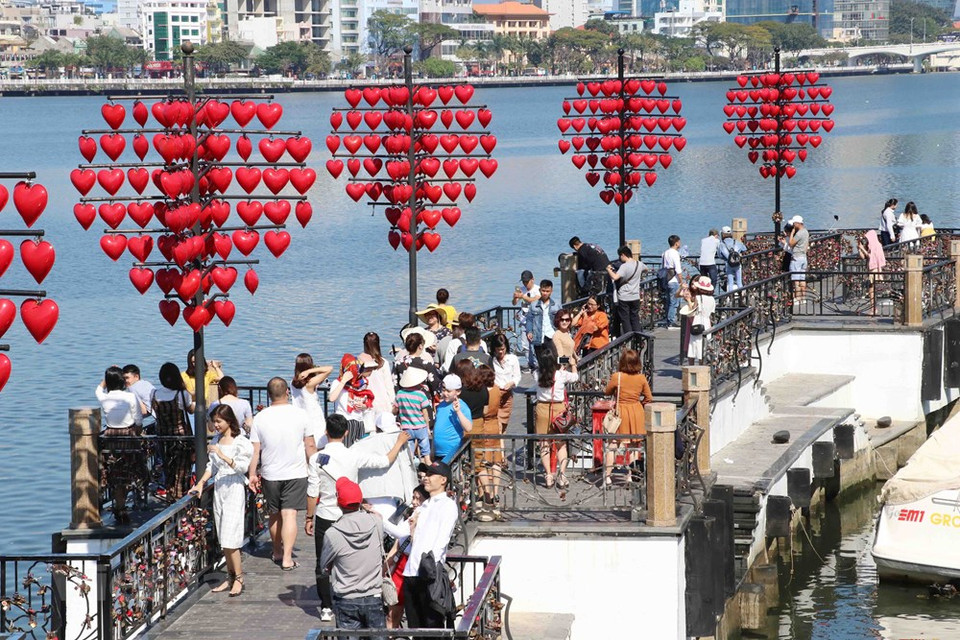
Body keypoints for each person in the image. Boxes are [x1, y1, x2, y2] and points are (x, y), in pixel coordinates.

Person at [306, 414, 410, 623]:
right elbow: (384, 461)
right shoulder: (353, 454)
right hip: (350, 513)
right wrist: (399, 442)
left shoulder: (316, 458)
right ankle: (356, 593)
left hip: (326, 514)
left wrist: (309, 517)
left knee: (323, 561)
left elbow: (311, 492)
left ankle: (326, 606)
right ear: (346, 433)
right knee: (354, 555)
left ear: (326, 432)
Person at [248, 377, 316, 572]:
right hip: (296, 471)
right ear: (287, 392)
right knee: (290, 515)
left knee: (274, 515)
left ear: (269, 395)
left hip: (270, 472)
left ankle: (277, 551)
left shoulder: (260, 417)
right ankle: (287, 558)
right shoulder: (301, 414)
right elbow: (309, 445)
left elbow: (255, 450)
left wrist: (253, 473)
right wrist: (316, 467)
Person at [189, 404, 252, 597]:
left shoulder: (240, 441)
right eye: (214, 421)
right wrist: (200, 483)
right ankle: (230, 576)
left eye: (219, 421)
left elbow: (242, 467)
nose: (215, 425)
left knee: (231, 536)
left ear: (229, 421)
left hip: (234, 487)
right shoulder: (216, 440)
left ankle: (239, 578)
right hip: (220, 488)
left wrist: (223, 455)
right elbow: (211, 466)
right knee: (224, 538)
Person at [317, 477, 387, 633]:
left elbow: (323, 566)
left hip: (346, 598)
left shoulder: (332, 533)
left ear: (338, 502)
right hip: (373, 595)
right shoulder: (376, 523)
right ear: (360, 500)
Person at [402, 461, 459, 630]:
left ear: (443, 480)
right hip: (411, 572)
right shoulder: (424, 505)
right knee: (416, 628)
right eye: (426, 475)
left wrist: (430, 566)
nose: (426, 478)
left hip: (429, 575)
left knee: (432, 628)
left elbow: (441, 540)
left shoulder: (447, 505)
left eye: (430, 474)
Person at [96, 365, 144, 524]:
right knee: (129, 472)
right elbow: (138, 419)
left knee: (115, 474)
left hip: (110, 438)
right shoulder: (130, 397)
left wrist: (106, 378)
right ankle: (122, 506)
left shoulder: (104, 397)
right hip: (127, 437)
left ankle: (120, 505)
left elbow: (98, 390)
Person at [602, 350, 652, 485]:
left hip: (620, 412)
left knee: (612, 444)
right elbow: (649, 397)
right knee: (634, 445)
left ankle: (607, 476)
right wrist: (640, 404)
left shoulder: (617, 376)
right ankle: (631, 475)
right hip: (636, 412)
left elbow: (607, 392)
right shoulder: (641, 378)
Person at [534, 343, 578, 489]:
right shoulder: (561, 374)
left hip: (542, 408)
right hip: (558, 409)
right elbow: (575, 377)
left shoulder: (536, 374)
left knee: (544, 443)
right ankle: (562, 475)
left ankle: (548, 475)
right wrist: (573, 365)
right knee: (560, 444)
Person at [153, 362, 195, 500]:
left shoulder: (154, 393)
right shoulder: (181, 394)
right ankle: (178, 500)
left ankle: (170, 496)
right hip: (180, 436)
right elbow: (190, 410)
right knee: (181, 470)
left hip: (162, 436)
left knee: (167, 469)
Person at [474, 364, 503, 521]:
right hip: (494, 425)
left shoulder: (481, 392)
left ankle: (483, 493)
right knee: (495, 461)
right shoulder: (498, 389)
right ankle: (496, 492)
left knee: (482, 462)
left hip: (484, 425)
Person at [330, 354, 377, 440]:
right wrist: (344, 381)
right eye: (367, 368)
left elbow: (367, 400)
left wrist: (365, 406)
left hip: (359, 421)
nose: (370, 371)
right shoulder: (338, 382)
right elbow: (332, 398)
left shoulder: (363, 383)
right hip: (344, 421)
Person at [290, 353, 332, 444]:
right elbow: (329, 369)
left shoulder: (293, 382)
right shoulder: (310, 383)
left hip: (300, 419)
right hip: (314, 419)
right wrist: (310, 371)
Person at [432, 373, 473, 464]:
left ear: (458, 392)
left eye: (449, 391)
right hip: (438, 452)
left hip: (452, 452)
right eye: (444, 390)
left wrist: (458, 412)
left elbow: (468, 428)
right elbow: (437, 427)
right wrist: (432, 449)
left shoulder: (462, 406)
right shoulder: (441, 406)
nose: (445, 393)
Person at [396, 367, 433, 463]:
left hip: (406, 427)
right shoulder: (421, 394)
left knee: (409, 454)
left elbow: (395, 409)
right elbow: (425, 412)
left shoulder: (399, 394)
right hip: (420, 426)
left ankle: (411, 471)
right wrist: (428, 427)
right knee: (426, 453)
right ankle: (427, 468)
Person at [394, 329, 443, 400]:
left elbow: (395, 383)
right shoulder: (426, 363)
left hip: (404, 398)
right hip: (423, 399)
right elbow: (434, 382)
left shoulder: (398, 363)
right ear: (420, 346)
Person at [607, 245, 645, 335]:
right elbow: (646, 269)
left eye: (620, 256)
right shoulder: (639, 264)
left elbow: (615, 277)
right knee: (635, 318)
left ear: (623, 255)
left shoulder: (624, 266)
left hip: (624, 297)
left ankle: (629, 338)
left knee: (625, 319)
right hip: (635, 296)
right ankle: (638, 339)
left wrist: (608, 270)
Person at [524, 279, 562, 371]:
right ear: (540, 290)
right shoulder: (533, 305)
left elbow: (562, 318)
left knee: (556, 360)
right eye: (543, 291)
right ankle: (544, 382)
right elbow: (529, 319)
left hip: (552, 335)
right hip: (538, 336)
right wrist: (529, 331)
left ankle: (557, 379)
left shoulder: (556, 304)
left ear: (551, 291)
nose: (545, 293)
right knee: (541, 363)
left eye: (547, 291)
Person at [362, 332, 395, 424]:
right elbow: (389, 385)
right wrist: (393, 402)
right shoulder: (383, 362)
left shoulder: (361, 362)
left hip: (367, 402)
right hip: (383, 402)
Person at [490, 333, 520, 432]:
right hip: (495, 393)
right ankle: (499, 445)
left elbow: (517, 376)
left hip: (507, 395)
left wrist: (512, 383)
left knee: (503, 424)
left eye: (503, 349)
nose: (500, 351)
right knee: (496, 423)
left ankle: (501, 443)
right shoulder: (491, 360)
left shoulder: (512, 359)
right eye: (498, 349)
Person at [686, 276, 717, 365]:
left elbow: (692, 310)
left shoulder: (698, 297)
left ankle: (691, 368)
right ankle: (702, 366)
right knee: (703, 347)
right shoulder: (712, 299)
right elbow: (712, 313)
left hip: (698, 320)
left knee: (693, 345)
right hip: (707, 322)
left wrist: (688, 300)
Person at [512, 270, 540, 363]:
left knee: (535, 343)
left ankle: (538, 363)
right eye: (523, 282)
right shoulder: (521, 289)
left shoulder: (538, 289)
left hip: (535, 320)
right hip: (523, 320)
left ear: (532, 280)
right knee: (525, 345)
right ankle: (530, 364)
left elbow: (534, 300)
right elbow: (514, 304)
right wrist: (515, 297)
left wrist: (522, 296)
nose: (525, 284)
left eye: (527, 282)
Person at [858, 229, 887, 307]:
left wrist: (863, 249)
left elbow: (871, 256)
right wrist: (860, 249)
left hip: (874, 268)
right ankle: (873, 306)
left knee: (871, 287)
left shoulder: (876, 246)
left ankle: (873, 307)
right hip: (870, 267)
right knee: (871, 288)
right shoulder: (870, 245)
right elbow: (863, 257)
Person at [661, 235, 684, 328]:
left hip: (666, 279)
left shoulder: (665, 253)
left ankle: (668, 319)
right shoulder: (675, 254)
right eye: (679, 242)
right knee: (674, 301)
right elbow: (678, 269)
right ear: (676, 243)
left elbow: (663, 266)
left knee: (668, 300)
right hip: (674, 280)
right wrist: (681, 281)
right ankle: (671, 321)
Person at [787, 216, 809, 302]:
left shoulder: (799, 233)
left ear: (797, 223)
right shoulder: (806, 232)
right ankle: (803, 298)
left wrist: (792, 233)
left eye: (794, 223)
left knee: (796, 280)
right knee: (802, 278)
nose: (793, 225)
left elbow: (791, 243)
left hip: (796, 257)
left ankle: (797, 298)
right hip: (803, 256)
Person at [718, 227, 747, 292]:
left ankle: (731, 297)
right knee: (739, 282)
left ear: (722, 234)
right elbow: (744, 249)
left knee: (730, 282)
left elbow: (720, 255)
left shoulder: (722, 244)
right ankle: (742, 296)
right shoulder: (736, 242)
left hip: (728, 264)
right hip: (737, 264)